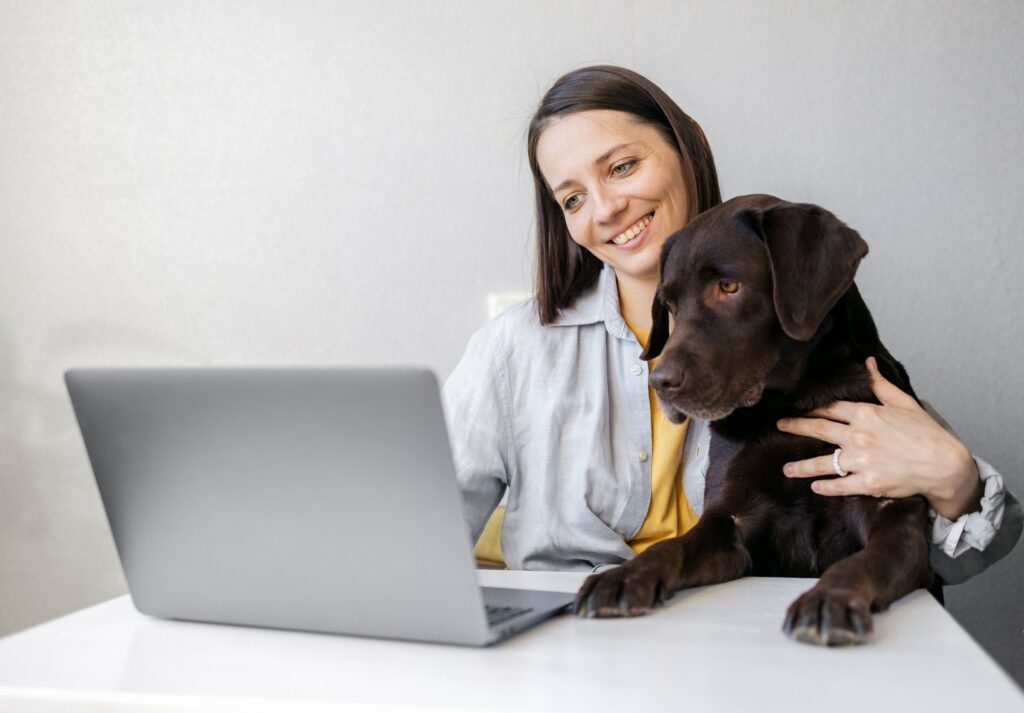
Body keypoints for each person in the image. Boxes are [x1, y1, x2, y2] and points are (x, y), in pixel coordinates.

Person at [442, 65, 1022, 585]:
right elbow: (419, 527)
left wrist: (954, 480)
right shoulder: (513, 349)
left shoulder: (797, 322)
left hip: (746, 649)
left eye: (622, 167)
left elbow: (963, 555)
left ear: (689, 146)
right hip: (560, 649)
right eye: (571, 200)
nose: (604, 209)